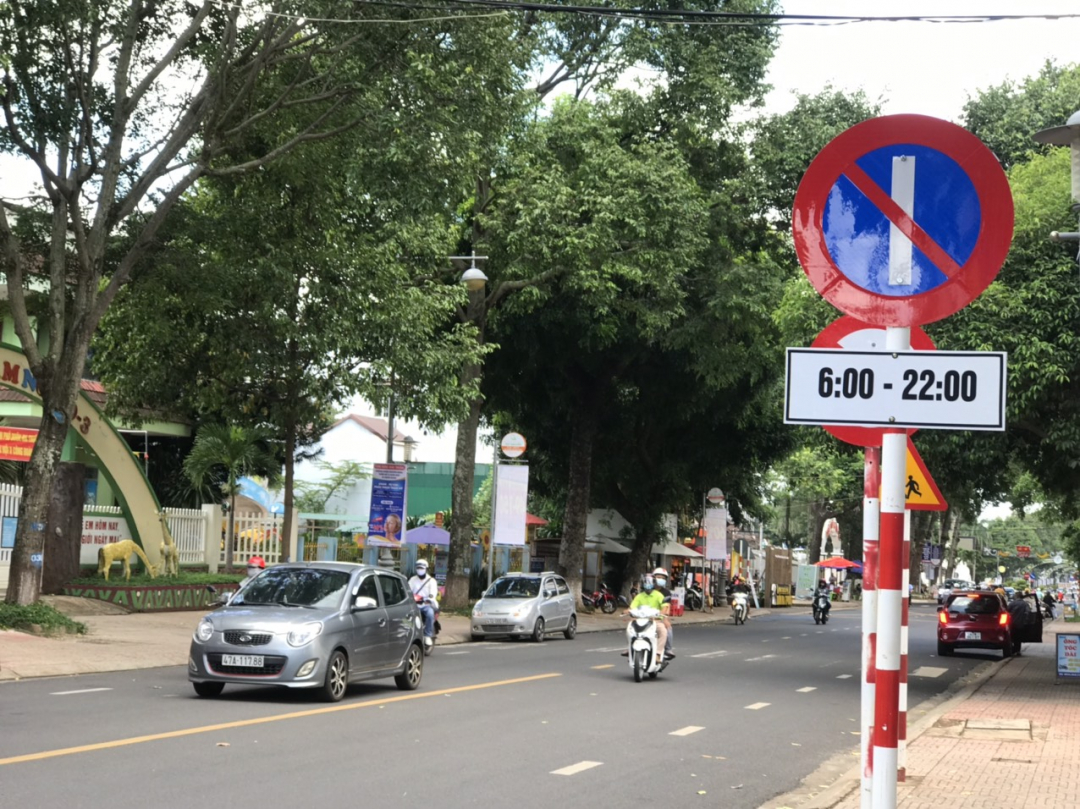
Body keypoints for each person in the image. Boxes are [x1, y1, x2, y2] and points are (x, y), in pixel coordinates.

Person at [622, 574, 670, 660]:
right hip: (640, 620)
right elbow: (632, 607)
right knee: (629, 628)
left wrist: (661, 615)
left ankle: (658, 654)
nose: (648, 587)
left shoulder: (659, 595)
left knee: (663, 631)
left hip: (655, 620)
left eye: (650, 583)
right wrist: (627, 611)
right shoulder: (639, 596)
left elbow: (664, 607)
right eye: (646, 583)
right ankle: (629, 648)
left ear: (654, 584)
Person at [408, 559, 439, 647]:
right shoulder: (412, 580)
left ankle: (427, 635)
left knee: (429, 614)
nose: (419, 570)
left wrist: (428, 599)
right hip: (414, 605)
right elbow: (408, 591)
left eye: (421, 568)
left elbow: (433, 593)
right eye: (418, 568)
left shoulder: (431, 581)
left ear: (426, 569)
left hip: (426, 604)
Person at [652, 567, 675, 657]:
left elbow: (667, 606)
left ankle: (668, 649)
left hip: (659, 615)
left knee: (667, 626)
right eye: (658, 577)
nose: (660, 579)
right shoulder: (647, 590)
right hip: (646, 615)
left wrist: (665, 617)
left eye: (663, 578)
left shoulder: (666, 592)